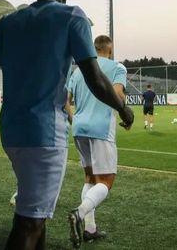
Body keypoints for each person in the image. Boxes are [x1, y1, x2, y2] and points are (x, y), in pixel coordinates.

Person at [0, 0, 134, 250]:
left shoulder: (8, 22)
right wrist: (123, 107)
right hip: (43, 135)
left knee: (36, 216)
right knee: (28, 223)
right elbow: (94, 76)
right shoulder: (71, 16)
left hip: (11, 133)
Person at [65, 35, 128, 247]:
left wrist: (75, 118)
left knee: (89, 179)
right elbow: (118, 95)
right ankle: (79, 213)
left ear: (94, 49)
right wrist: (125, 114)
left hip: (79, 128)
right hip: (101, 128)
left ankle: (90, 229)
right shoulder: (117, 67)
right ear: (110, 50)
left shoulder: (78, 70)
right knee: (106, 181)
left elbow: (66, 100)